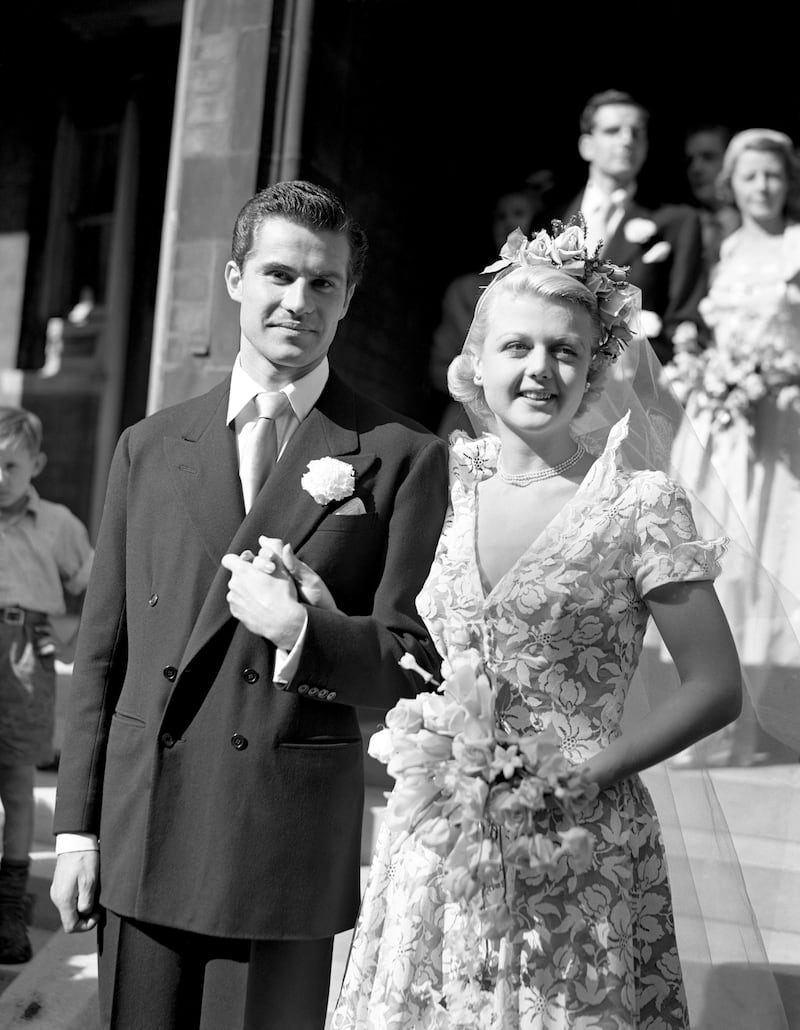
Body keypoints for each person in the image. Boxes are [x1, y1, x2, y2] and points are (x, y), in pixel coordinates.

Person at [328, 223, 759, 1027]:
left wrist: (584, 775)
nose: (539, 369)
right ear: (478, 363)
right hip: (439, 839)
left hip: (582, 842)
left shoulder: (640, 507)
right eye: (517, 347)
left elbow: (717, 687)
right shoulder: (432, 483)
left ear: (596, 368)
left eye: (565, 351)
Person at [49, 180, 448, 1029]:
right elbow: (102, 653)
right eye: (277, 275)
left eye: (323, 284)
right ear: (234, 279)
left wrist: (308, 631)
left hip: (280, 834)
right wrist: (76, 832)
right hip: (147, 820)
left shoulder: (400, 454)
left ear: (348, 297)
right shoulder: (149, 445)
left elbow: (414, 664)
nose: (297, 302)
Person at [668, 128, 800, 767]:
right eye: (750, 176)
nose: (763, 187)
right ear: (734, 183)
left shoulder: (797, 246)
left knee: (768, 555)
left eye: (773, 175)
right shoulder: (720, 246)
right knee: (715, 553)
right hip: (721, 424)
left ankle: (754, 724)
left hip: (779, 423)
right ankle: (710, 717)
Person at [0, 406, 93, 963]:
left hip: (24, 656)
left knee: (16, 778)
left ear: (36, 464)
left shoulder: (57, 523)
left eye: (10, 465)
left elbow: (94, 584)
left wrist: (68, 640)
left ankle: (10, 908)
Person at [549, 89, 707, 363]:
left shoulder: (678, 221)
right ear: (586, 145)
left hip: (636, 378)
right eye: (613, 131)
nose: (627, 140)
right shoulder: (550, 218)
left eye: (636, 132)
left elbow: (683, 318)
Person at [429, 180, 550, 437]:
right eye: (500, 216)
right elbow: (439, 367)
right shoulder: (463, 291)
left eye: (518, 214)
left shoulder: (555, 292)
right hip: (473, 423)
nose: (509, 223)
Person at [683, 121, 739, 272]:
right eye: (690, 161)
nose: (696, 168)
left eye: (708, 157)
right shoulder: (684, 226)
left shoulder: (762, 222)